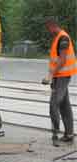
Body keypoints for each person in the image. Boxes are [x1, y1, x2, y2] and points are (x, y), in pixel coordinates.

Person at [43, 17, 75, 146]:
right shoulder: (58, 38)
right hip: (59, 76)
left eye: (48, 28)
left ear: (52, 26)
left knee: (54, 103)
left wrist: (50, 75)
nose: (48, 31)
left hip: (62, 75)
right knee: (64, 105)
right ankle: (69, 134)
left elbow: (62, 60)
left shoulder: (63, 38)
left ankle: (55, 133)